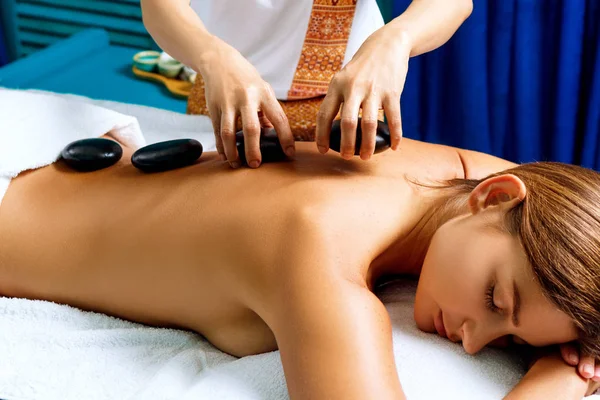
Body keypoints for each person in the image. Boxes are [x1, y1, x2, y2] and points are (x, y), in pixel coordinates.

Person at [0, 135, 598, 398]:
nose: (474, 344)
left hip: (74, 185)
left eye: (511, 339)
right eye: (496, 301)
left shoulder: (457, 174)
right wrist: (552, 385)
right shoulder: (319, 249)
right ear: (494, 198)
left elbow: (567, 217)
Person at [140, 0, 474, 168]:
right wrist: (211, 57)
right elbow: (158, 7)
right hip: (227, 84)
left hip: (348, 97)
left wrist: (396, 40)